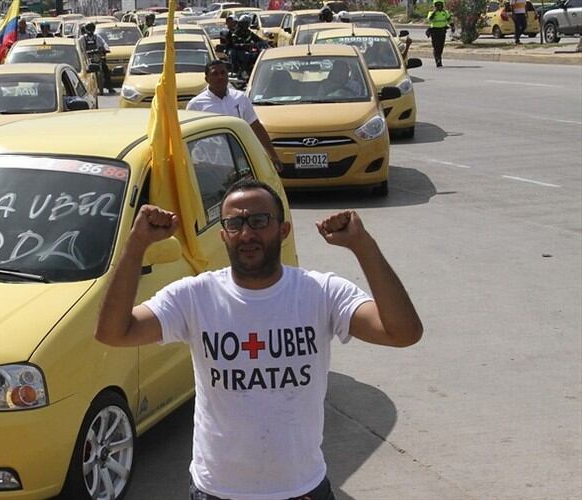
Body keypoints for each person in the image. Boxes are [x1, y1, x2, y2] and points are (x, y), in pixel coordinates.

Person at [95, 179, 423, 500]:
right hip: (218, 491)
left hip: (301, 489)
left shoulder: (321, 292)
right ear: (223, 234)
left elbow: (403, 332)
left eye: (259, 220)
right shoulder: (195, 296)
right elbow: (113, 332)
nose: (247, 234)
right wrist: (136, 245)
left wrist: (363, 246)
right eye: (235, 223)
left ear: (283, 230)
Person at [188, 60, 284, 173]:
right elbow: (190, 137)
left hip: (240, 163)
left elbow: (256, 126)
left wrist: (273, 155)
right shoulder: (196, 104)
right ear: (207, 79)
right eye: (215, 74)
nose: (220, 77)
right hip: (211, 165)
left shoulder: (240, 98)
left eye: (223, 73)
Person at [79, 22, 114, 94]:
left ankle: (109, 86)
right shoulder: (82, 38)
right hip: (87, 59)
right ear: (86, 29)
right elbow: (79, 47)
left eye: (92, 28)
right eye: (89, 28)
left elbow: (104, 44)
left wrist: (106, 49)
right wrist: (82, 52)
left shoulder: (97, 37)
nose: (90, 30)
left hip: (96, 58)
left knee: (106, 69)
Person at [229, 15, 265, 79]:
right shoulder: (236, 33)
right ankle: (242, 70)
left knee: (257, 55)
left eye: (247, 23)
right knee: (246, 55)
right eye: (245, 23)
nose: (246, 25)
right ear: (241, 24)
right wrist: (244, 45)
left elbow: (257, 39)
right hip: (238, 51)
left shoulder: (249, 33)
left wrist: (266, 42)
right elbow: (234, 44)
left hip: (248, 50)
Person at [427, 0, 452, 67]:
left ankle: (439, 57)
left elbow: (449, 20)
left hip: (442, 31)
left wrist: (452, 26)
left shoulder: (445, 12)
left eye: (440, 5)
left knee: (441, 47)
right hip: (434, 31)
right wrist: (434, 12)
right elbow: (430, 19)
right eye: (437, 5)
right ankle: (438, 60)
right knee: (436, 46)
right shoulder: (431, 12)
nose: (438, 6)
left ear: (442, 5)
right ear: (434, 6)